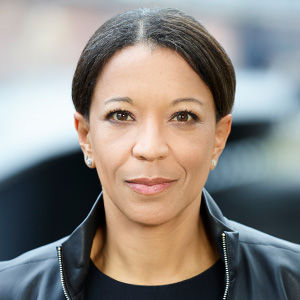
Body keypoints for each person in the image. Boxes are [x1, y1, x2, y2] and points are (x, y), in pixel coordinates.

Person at [0, 7, 299, 300]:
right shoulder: (12, 290)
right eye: (121, 115)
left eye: (183, 116)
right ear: (85, 135)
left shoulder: (290, 282)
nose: (150, 148)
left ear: (219, 137)